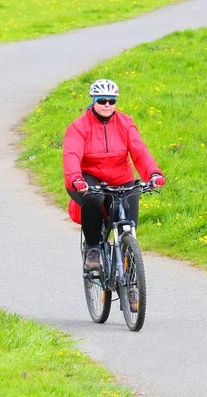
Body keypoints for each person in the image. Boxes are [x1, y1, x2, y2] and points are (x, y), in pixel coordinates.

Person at [63, 79, 165, 271]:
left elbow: (139, 151)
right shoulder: (78, 127)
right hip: (89, 178)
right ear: (94, 101)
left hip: (120, 178)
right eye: (102, 101)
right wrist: (76, 178)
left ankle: (132, 282)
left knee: (129, 227)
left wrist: (153, 174)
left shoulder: (125, 123)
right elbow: (72, 155)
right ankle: (93, 248)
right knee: (93, 198)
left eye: (112, 100)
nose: (107, 105)